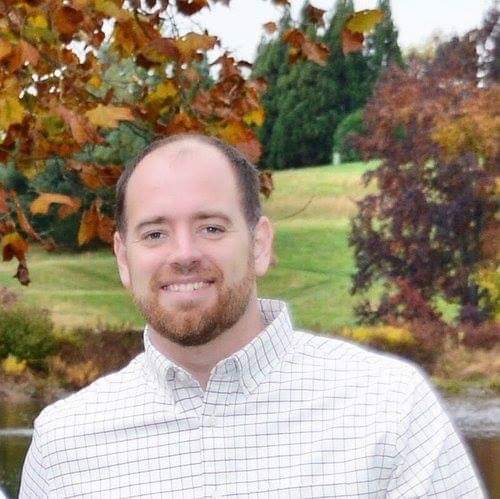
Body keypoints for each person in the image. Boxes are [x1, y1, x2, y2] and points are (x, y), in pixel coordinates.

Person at [20, 133, 483, 498]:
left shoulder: (389, 408)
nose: (184, 254)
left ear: (260, 245)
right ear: (124, 258)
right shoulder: (65, 445)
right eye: (155, 233)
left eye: (211, 227)